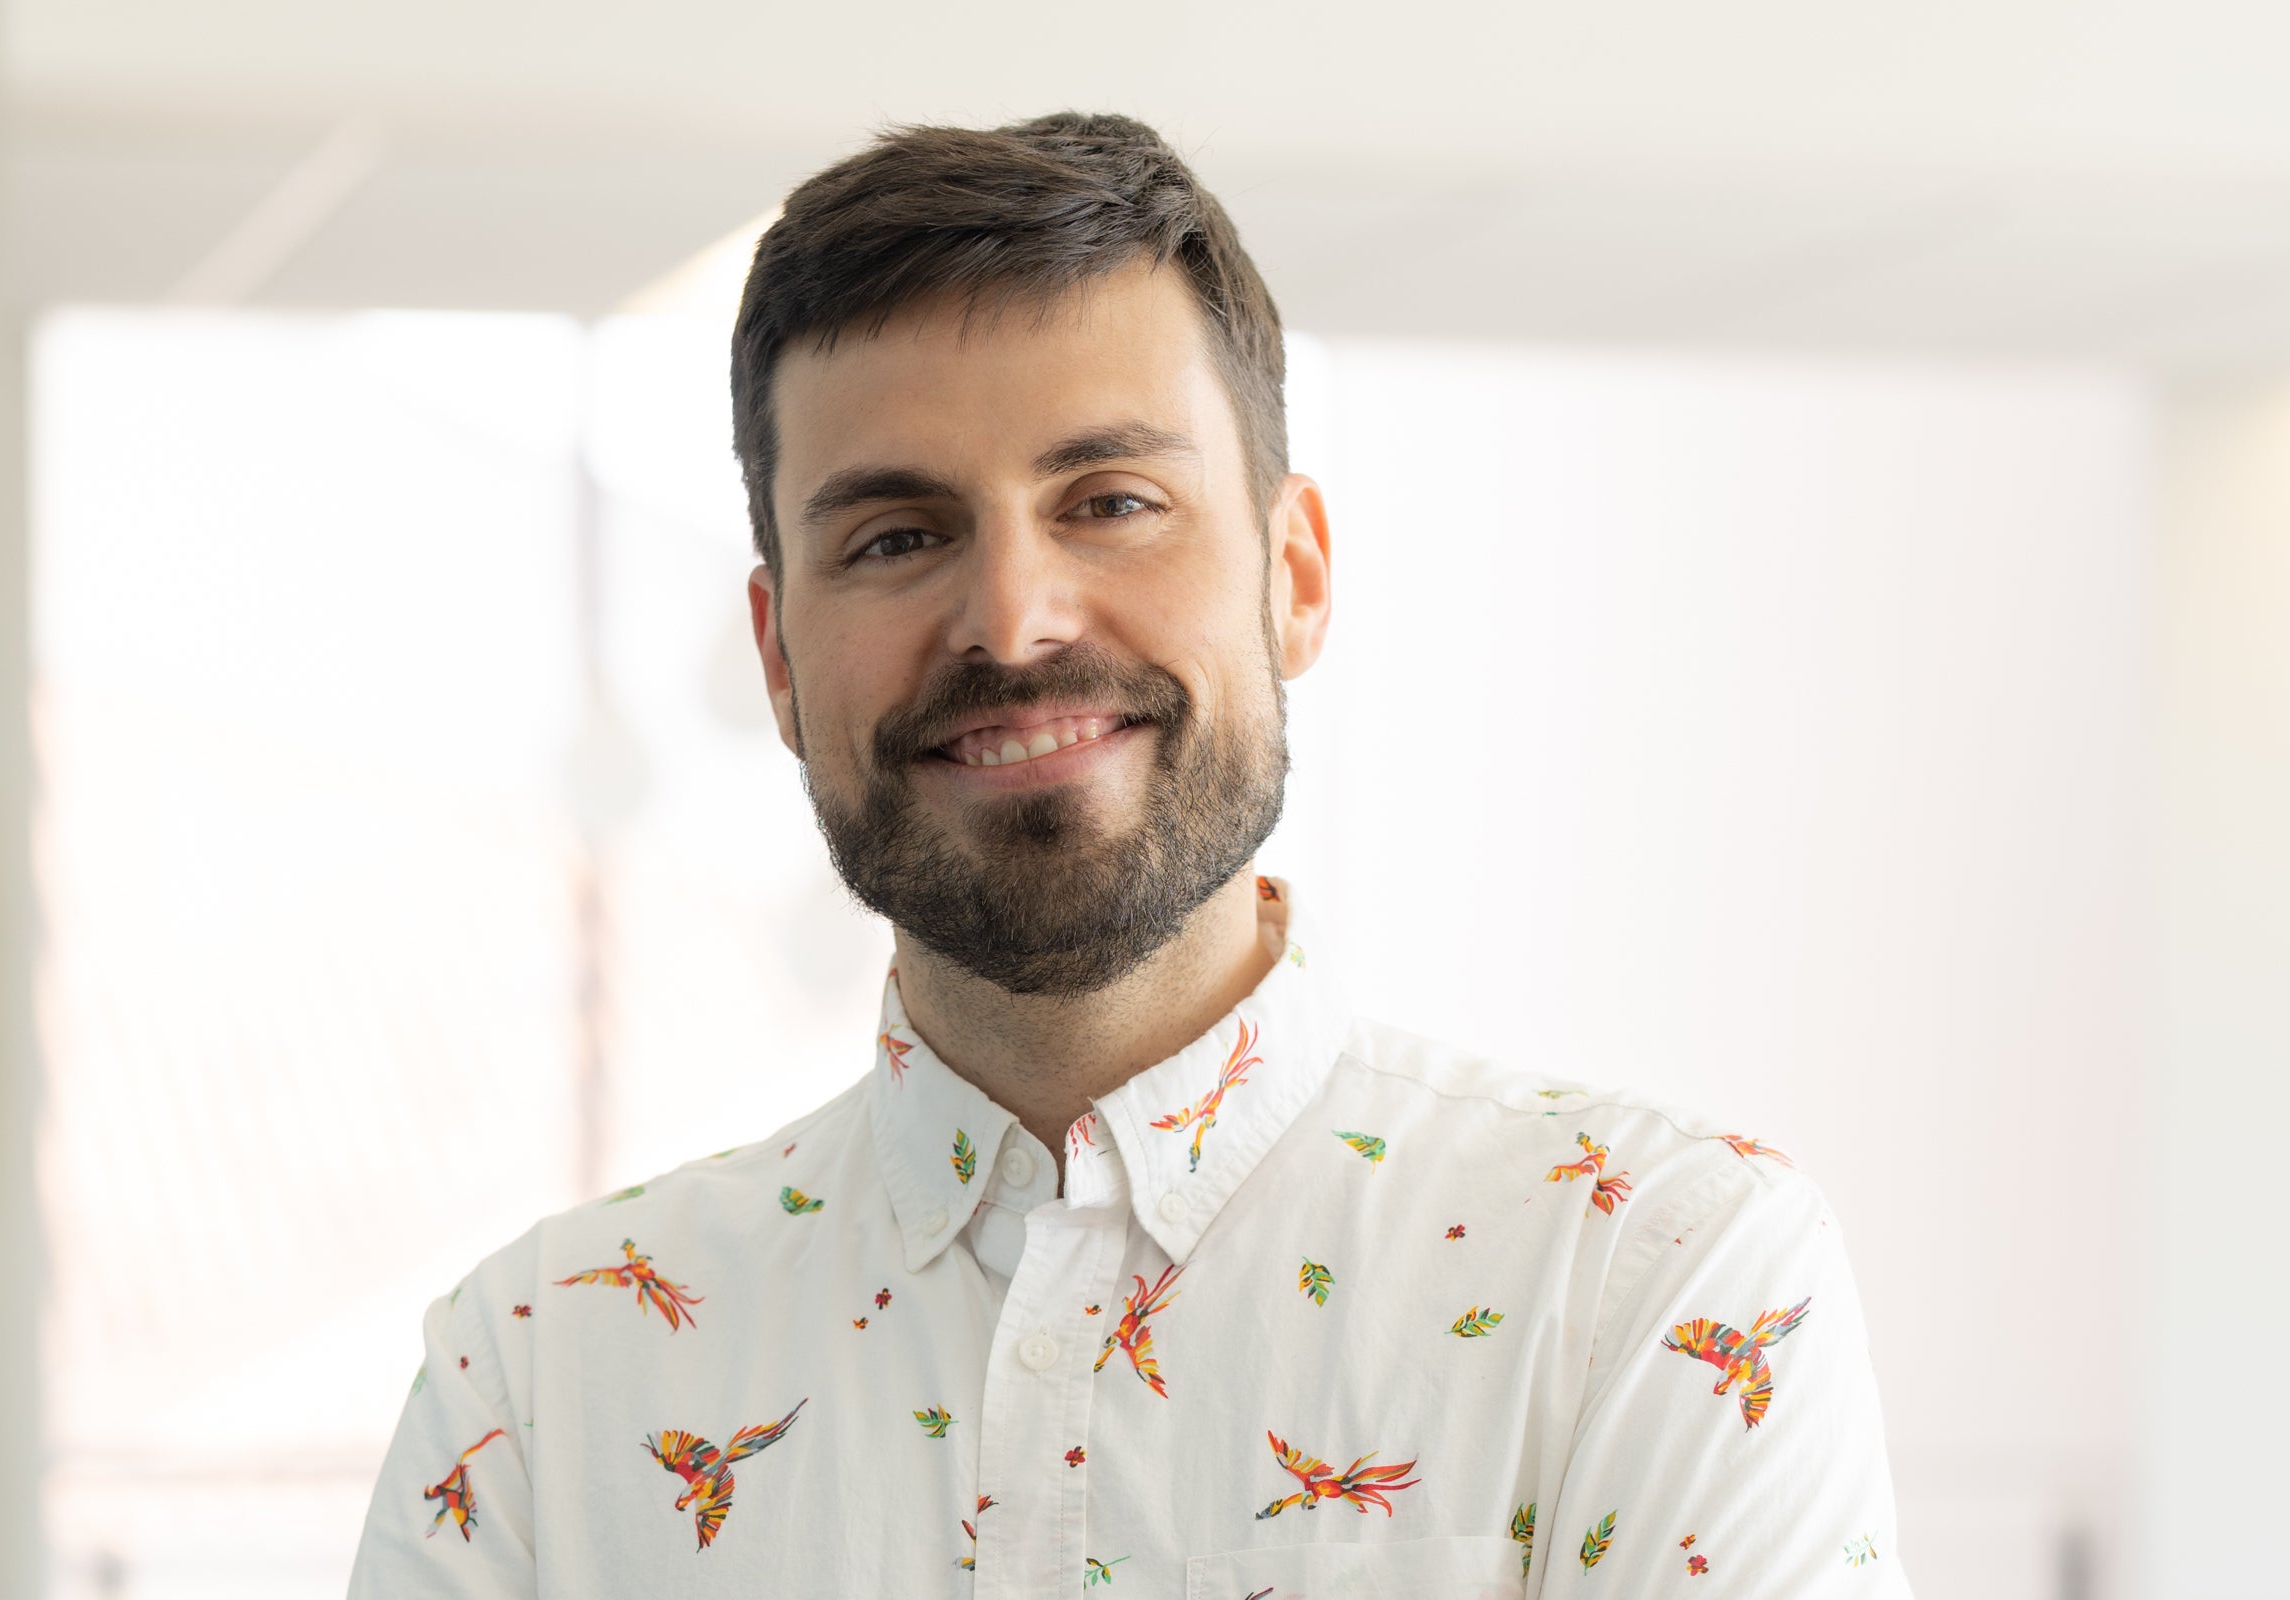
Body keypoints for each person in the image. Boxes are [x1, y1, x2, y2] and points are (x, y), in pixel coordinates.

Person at [350, 111, 1911, 1598]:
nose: (1016, 621)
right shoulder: (540, 1387)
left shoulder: (1658, 1285)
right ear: (775, 656)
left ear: (1292, 574)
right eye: (897, 536)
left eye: (1111, 501)